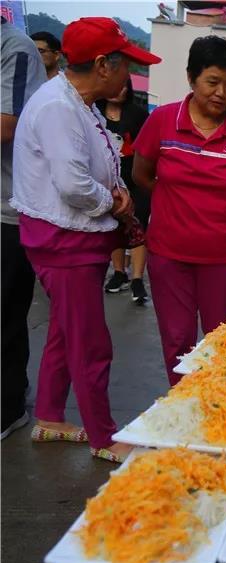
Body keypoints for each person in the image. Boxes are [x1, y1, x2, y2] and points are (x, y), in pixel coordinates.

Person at [12, 17, 161, 463]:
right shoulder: (59, 107)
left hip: (71, 237)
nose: (129, 76)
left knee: (64, 331)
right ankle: (104, 436)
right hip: (64, 240)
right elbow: (73, 184)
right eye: (126, 66)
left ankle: (50, 415)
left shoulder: (79, 102)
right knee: (90, 341)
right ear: (102, 65)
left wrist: (111, 194)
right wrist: (112, 203)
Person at [132, 35, 226, 386]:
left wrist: (215, 211)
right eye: (212, 82)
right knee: (177, 340)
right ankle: (182, 407)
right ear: (191, 78)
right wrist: (179, 202)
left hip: (224, 258)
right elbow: (142, 174)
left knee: (221, 341)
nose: (221, 93)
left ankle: (217, 408)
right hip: (169, 254)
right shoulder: (162, 121)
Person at [2, 17, 47, 440]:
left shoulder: (13, 47)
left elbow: (6, 124)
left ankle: (9, 405)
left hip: (7, 209)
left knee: (6, 313)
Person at [98, 77, 150, 304]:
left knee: (139, 227)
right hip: (108, 181)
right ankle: (119, 272)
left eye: (124, 86)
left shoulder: (138, 114)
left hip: (135, 178)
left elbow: (147, 147)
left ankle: (137, 277)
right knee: (114, 226)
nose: (119, 90)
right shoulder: (94, 112)